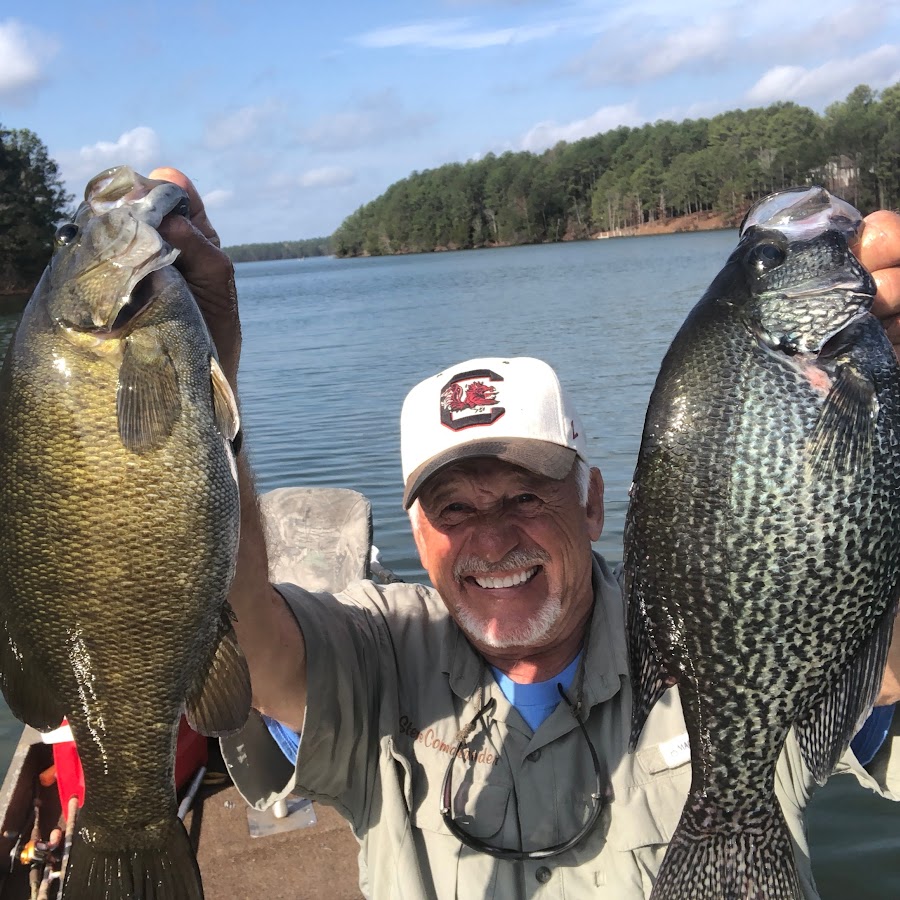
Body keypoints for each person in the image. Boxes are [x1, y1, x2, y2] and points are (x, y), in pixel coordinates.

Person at [150, 167, 900, 899]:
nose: (493, 537)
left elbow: (880, 662)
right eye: (454, 510)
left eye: (525, 496)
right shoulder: (379, 658)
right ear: (417, 535)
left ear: (593, 504)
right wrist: (197, 381)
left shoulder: (706, 621)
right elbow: (240, 626)